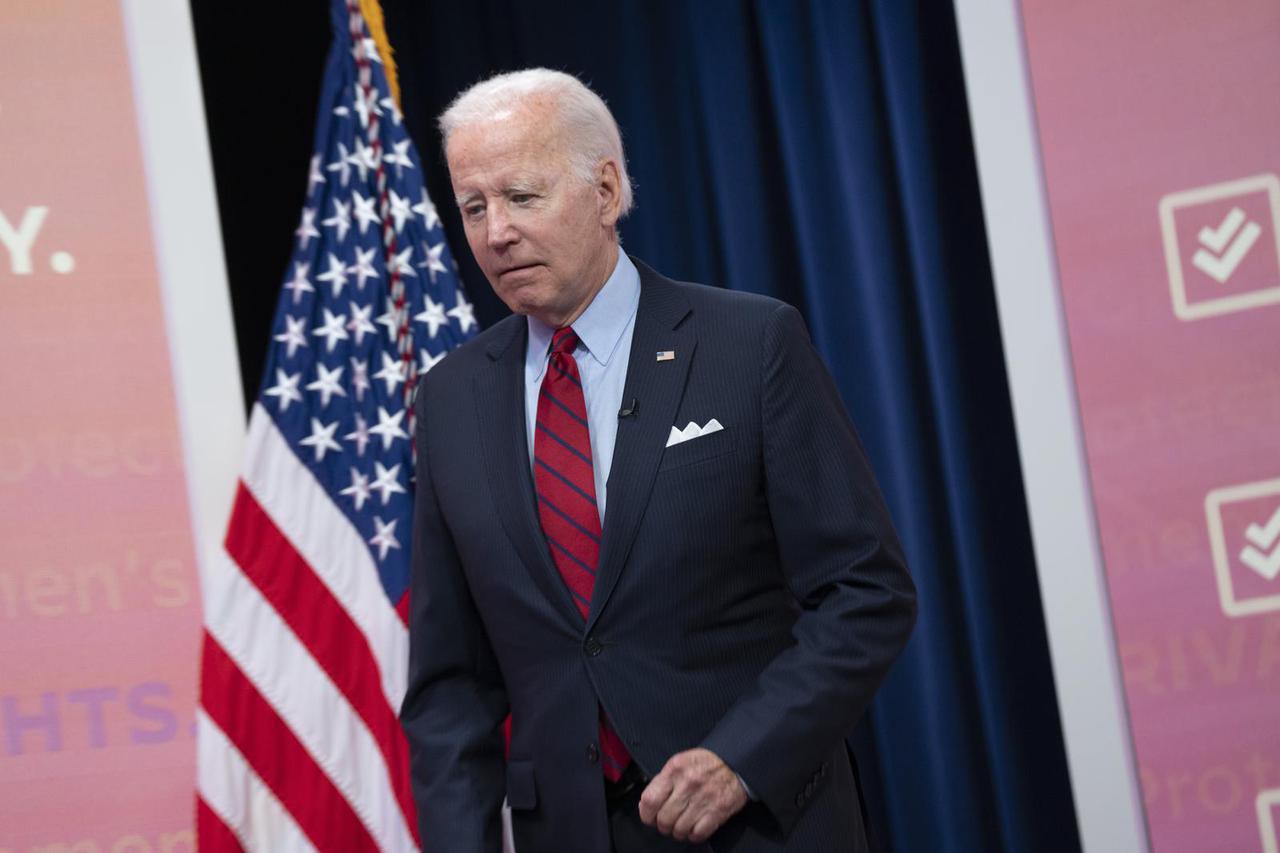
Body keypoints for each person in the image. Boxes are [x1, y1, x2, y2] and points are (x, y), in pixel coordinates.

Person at [400, 68, 916, 853]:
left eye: (522, 196)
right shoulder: (452, 401)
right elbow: (452, 689)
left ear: (605, 191)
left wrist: (742, 756)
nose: (495, 231)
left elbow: (866, 591)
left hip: (758, 823)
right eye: (474, 206)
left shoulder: (748, 345)